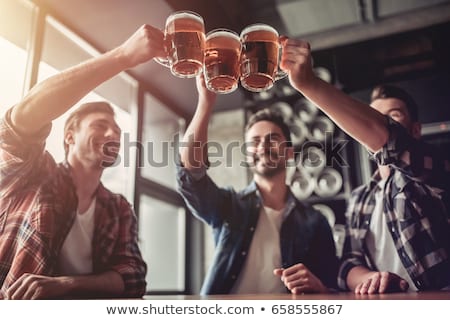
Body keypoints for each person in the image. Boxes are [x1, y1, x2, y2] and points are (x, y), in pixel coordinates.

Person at [0, 24, 165, 299]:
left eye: (117, 130)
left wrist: (67, 284)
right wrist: (124, 55)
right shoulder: (34, 173)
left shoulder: (118, 207)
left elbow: (133, 276)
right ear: (69, 137)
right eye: (100, 126)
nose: (113, 134)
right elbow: (23, 119)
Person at [278, 37, 450, 293]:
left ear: (414, 130)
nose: (380, 121)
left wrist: (309, 84)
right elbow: (349, 264)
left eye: (392, 115)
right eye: (373, 114)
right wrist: (372, 279)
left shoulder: (434, 167)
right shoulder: (360, 197)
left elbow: (389, 140)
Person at [176, 75, 338, 295]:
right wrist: (206, 101)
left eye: (272, 139)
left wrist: (319, 287)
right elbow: (190, 169)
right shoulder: (228, 206)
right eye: (255, 142)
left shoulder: (316, 222)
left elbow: (332, 288)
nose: (263, 147)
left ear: (289, 152)